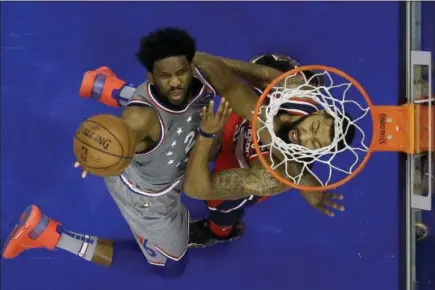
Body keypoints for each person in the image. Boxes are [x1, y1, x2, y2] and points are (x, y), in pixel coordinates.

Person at [2, 28, 307, 274]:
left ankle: (108, 87)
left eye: (182, 71)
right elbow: (137, 142)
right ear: (150, 75)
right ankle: (48, 235)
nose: (176, 81)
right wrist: (99, 153)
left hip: (180, 143)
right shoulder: (138, 122)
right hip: (148, 194)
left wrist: (274, 90)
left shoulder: (204, 70)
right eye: (164, 75)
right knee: (172, 266)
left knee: (202, 119)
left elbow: (239, 98)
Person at [184, 54, 354, 247]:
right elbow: (254, 75)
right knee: (271, 72)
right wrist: (191, 60)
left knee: (220, 202)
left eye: (314, 144)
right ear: (318, 112)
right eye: (313, 127)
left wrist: (206, 136)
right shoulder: (298, 92)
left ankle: (218, 232)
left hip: (242, 159)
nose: (304, 136)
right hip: (238, 119)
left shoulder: (274, 176)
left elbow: (196, 189)